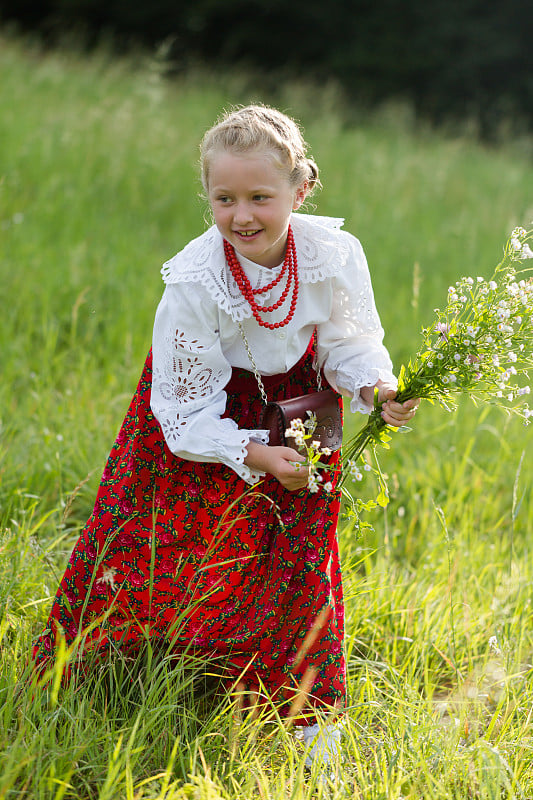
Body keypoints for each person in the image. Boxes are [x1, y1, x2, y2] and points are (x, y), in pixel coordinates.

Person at [32, 104, 418, 767]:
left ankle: (309, 723)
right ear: (207, 197)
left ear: (300, 188)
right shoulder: (194, 279)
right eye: (224, 198)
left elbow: (351, 343)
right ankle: (106, 679)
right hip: (200, 419)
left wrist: (375, 390)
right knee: (162, 552)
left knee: (297, 558)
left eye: (260, 197)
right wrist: (249, 451)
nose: (242, 215)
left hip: (299, 410)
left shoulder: (333, 254)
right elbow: (182, 410)